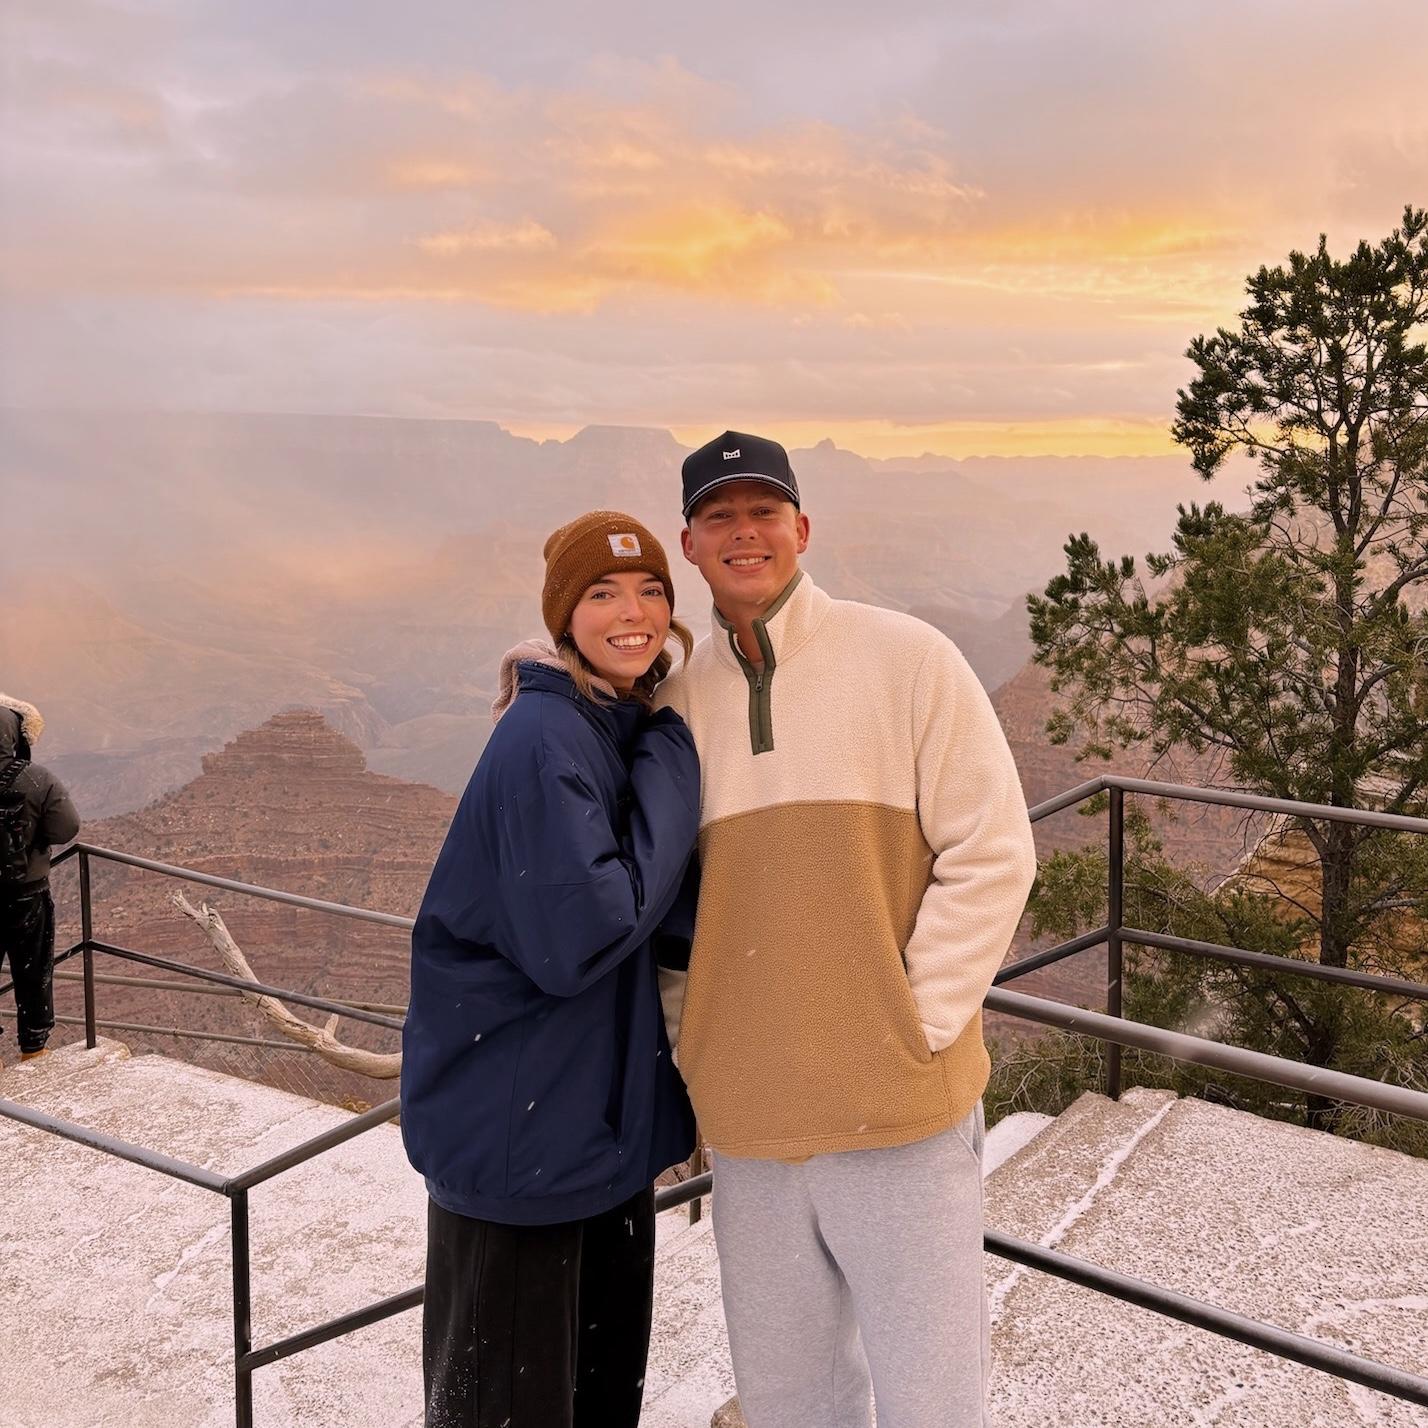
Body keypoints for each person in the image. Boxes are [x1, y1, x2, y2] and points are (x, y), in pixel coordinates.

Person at [655, 433, 1037, 1428]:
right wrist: (697, 1055)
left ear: (802, 528)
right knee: (792, 1405)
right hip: (751, 1131)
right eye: (720, 517)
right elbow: (658, 910)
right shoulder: (673, 708)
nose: (744, 533)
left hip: (899, 1117)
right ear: (690, 544)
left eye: (763, 511)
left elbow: (993, 851)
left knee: (933, 1405)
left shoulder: (908, 659)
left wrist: (916, 1025)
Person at [401, 511, 701, 1428]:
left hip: (591, 1140)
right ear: (564, 614)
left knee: (599, 1402)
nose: (632, 612)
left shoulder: (603, 721)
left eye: (650, 590)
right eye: (602, 593)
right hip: (522, 1151)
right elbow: (583, 935)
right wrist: (673, 762)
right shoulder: (544, 738)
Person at [0, 694, 81, 1069]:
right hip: (26, 894)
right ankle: (33, 1048)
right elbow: (67, 827)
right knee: (33, 971)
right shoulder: (37, 778)